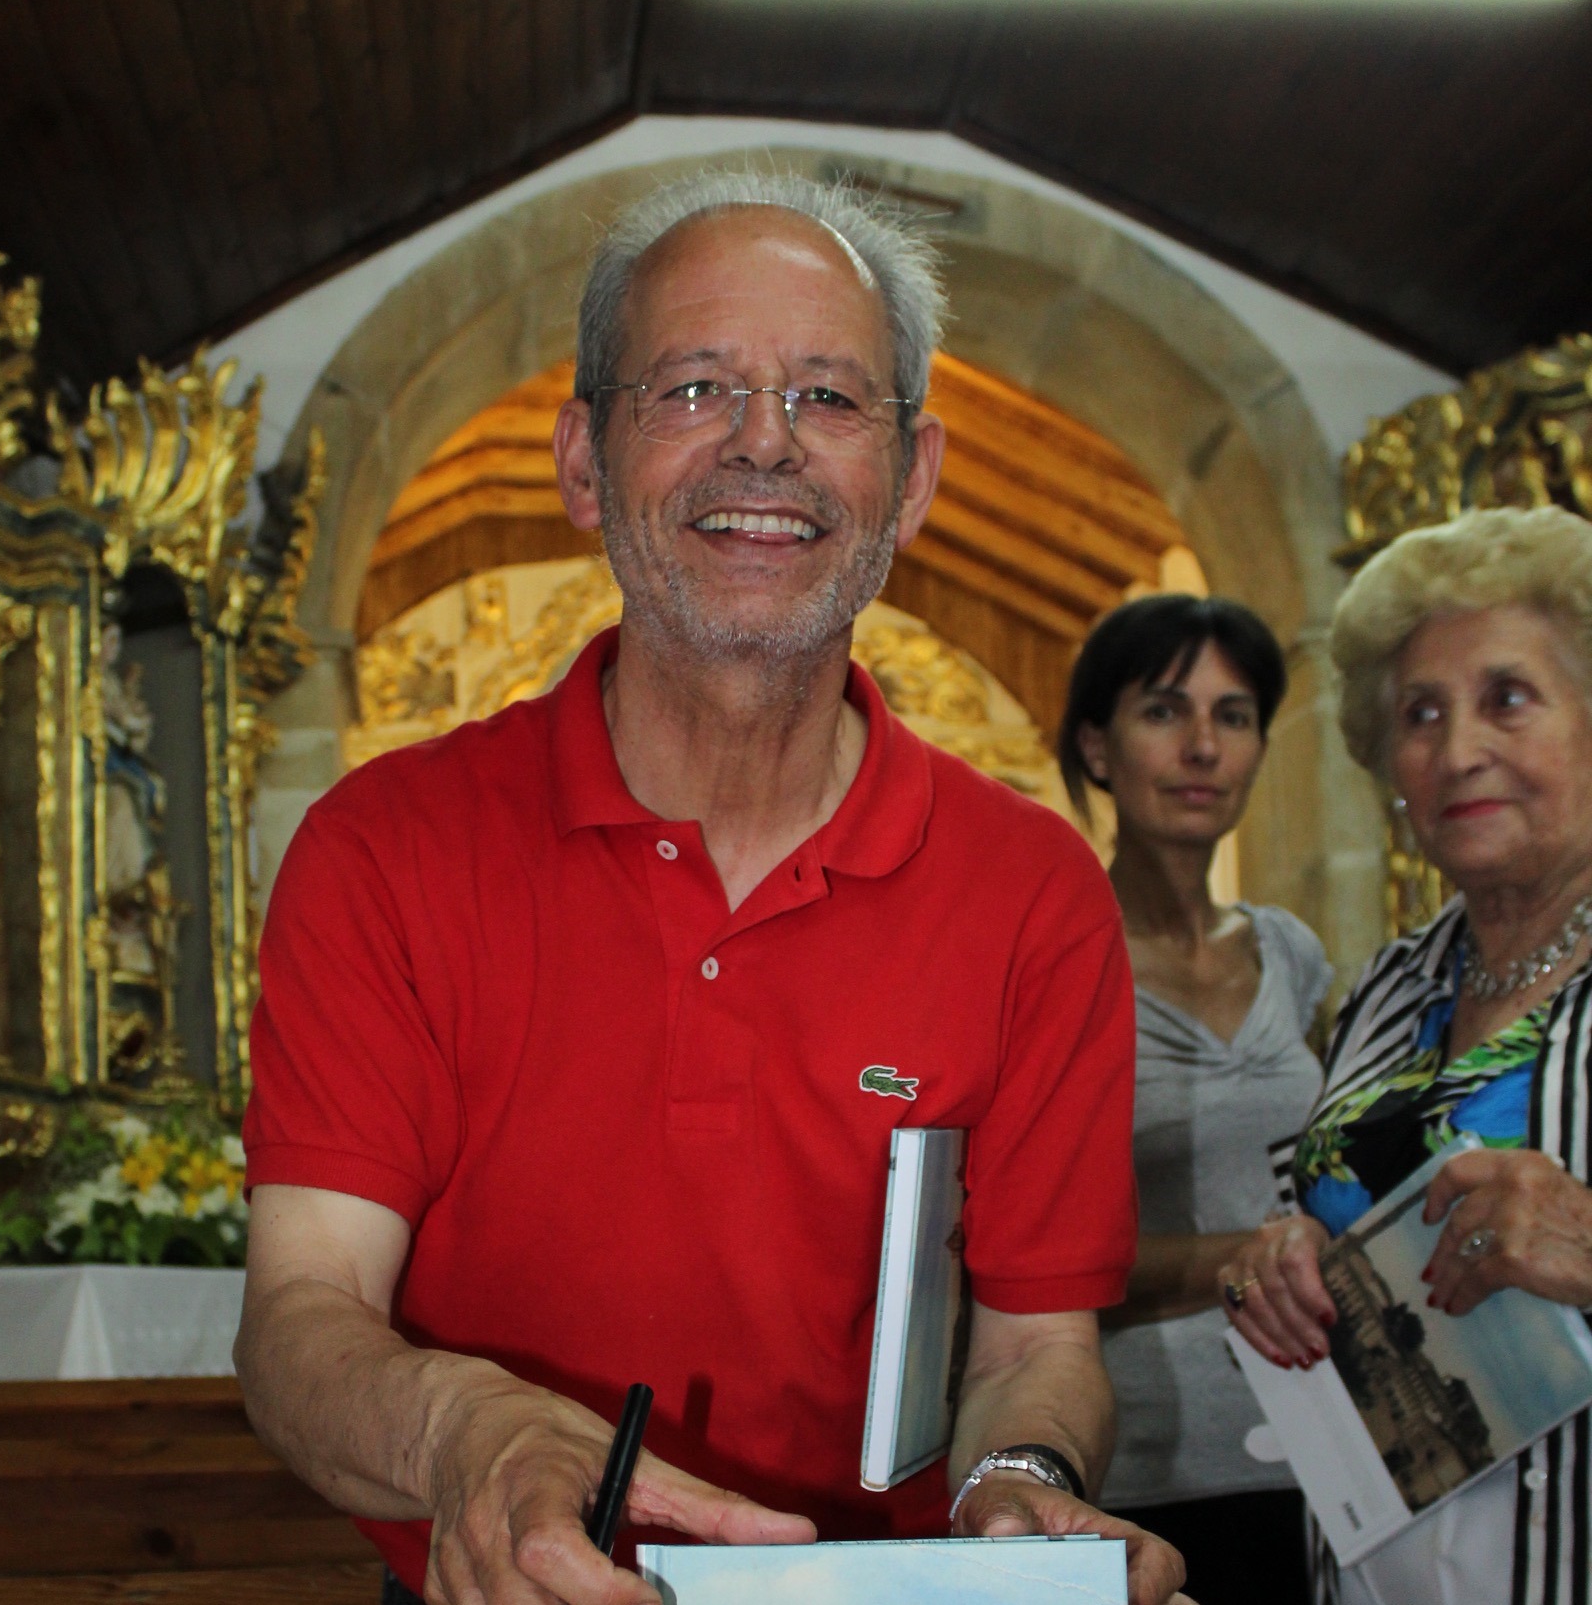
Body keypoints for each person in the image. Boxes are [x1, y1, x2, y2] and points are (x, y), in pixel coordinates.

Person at [233, 170, 1189, 1605]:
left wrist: (1021, 1489)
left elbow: (1032, 1350)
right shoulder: (386, 846)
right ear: (582, 462)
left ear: (913, 477)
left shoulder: (1035, 890)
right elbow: (302, 1314)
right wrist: (466, 1432)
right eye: (692, 388)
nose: (763, 444)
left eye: (828, 396)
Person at [1221, 504, 1592, 1605]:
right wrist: (1284, 1259)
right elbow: (1337, 1211)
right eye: (1421, 714)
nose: (1457, 747)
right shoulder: (1394, 979)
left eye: (1507, 698)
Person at [1058, 594, 1332, 1605]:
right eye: (1165, 710)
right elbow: (1032, 1259)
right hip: (1145, 1465)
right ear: (1097, 744)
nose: (1204, 746)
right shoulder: (1058, 958)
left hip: (1330, 1451)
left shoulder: (1290, 951)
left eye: (1236, 713)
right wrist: (1268, 1257)